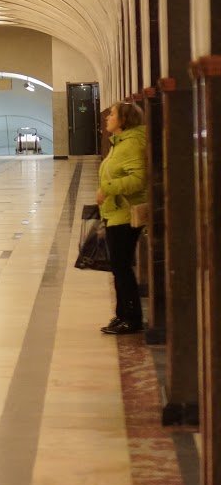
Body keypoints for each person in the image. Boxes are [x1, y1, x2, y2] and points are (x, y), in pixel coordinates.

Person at [97, 101, 148, 335]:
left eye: (112, 115)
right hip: (115, 212)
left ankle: (132, 318)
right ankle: (122, 315)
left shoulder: (131, 144)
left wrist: (108, 188)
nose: (107, 118)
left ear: (123, 120)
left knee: (122, 267)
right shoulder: (119, 143)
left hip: (125, 215)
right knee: (118, 267)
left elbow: (138, 180)